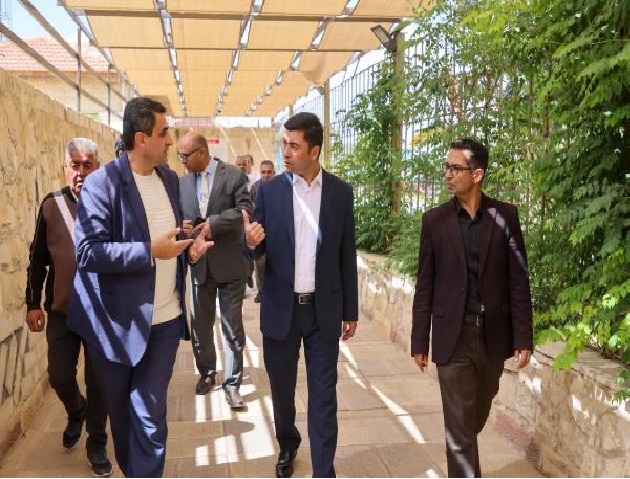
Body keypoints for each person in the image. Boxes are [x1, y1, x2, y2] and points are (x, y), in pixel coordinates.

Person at [67, 97, 210, 478]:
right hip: (115, 325)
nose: (171, 141)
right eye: (164, 133)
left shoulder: (169, 180)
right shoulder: (101, 184)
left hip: (165, 321)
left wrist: (189, 250)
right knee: (123, 421)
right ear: (142, 138)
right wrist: (148, 251)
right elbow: (88, 252)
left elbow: (170, 238)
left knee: (149, 417)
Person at [243, 112, 358, 478]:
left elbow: (346, 255)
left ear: (314, 150)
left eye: (293, 145)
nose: (286, 152)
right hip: (282, 310)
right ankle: (288, 444)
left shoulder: (340, 193)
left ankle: (323, 469)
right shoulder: (270, 191)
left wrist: (351, 311)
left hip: (323, 311)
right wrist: (250, 242)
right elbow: (256, 248)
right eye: (284, 144)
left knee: (324, 395)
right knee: (282, 390)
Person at [411, 138, 533, 478]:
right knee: (460, 431)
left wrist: (523, 336)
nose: (447, 174)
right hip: (453, 334)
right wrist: (419, 340)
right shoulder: (434, 221)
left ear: (477, 174)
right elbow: (425, 285)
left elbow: (518, 280)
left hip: (492, 336)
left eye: (456, 168)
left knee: (472, 418)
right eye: (446, 167)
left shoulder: (505, 216)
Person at [25, 138, 112, 478]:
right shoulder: (51, 205)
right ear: (65, 168)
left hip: (101, 314)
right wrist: (33, 303)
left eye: (87, 165)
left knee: (99, 381)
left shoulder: (112, 205)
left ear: (97, 168)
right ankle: (77, 411)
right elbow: (37, 259)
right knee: (59, 376)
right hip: (62, 311)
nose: (80, 172)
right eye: (74, 165)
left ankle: (97, 442)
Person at [178, 132, 252, 408]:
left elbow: (245, 210)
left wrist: (214, 224)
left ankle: (233, 384)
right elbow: (178, 217)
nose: (182, 161)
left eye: (185, 156)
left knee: (232, 328)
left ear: (201, 153)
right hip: (200, 266)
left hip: (231, 266)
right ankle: (207, 373)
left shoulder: (232, 175)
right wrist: (183, 227)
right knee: (200, 326)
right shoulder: (182, 182)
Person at [249, 159, 275, 303]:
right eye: (263, 172)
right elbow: (251, 207)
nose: (266, 175)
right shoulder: (255, 188)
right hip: (260, 230)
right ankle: (260, 290)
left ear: (274, 173)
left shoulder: (279, 187)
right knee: (259, 263)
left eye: (269, 172)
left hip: (276, 231)